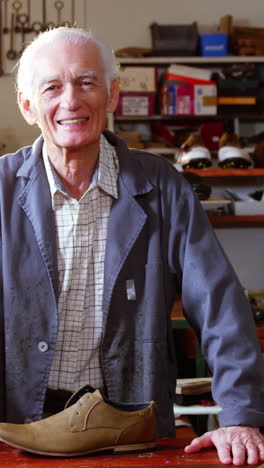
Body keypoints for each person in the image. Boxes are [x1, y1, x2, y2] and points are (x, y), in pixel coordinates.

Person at [0, 26, 263, 465]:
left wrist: (239, 414)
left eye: (87, 82)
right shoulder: (1, 190)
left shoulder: (162, 187)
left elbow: (219, 303)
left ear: (112, 95)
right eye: (52, 87)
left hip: (128, 424)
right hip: (17, 426)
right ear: (28, 106)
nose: (71, 101)